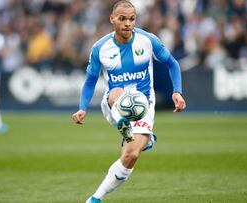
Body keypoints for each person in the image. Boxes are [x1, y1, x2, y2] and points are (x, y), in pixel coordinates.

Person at [71, 1, 186, 202]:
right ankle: (125, 128)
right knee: (117, 91)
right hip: (114, 103)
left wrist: (177, 92)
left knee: (130, 156)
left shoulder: (148, 40)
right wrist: (82, 108)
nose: (127, 23)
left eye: (131, 19)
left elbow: (172, 64)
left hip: (145, 106)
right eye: (122, 18)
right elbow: (90, 80)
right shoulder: (100, 48)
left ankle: (95, 198)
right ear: (112, 19)